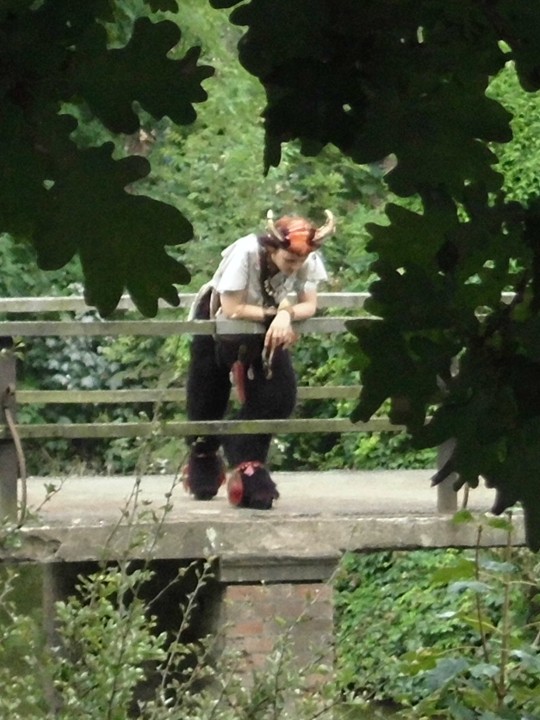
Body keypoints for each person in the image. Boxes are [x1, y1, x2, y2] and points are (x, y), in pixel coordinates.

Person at [183, 209, 336, 509]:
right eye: (290, 260)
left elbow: (310, 305)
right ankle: (203, 455)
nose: (296, 267)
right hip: (219, 320)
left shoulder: (305, 258)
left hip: (271, 324)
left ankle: (245, 454)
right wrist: (275, 315)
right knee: (207, 393)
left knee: (279, 395)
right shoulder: (247, 252)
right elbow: (232, 307)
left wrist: (285, 314)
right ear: (272, 248)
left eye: (301, 260)